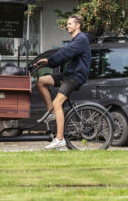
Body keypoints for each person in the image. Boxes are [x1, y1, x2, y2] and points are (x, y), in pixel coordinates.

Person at [33, 15, 91, 150]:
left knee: (57, 102)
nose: (67, 26)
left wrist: (48, 61)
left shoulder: (80, 39)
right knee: (41, 81)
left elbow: (65, 53)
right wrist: (45, 63)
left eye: (70, 23)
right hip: (69, 74)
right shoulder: (76, 40)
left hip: (75, 77)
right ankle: (51, 114)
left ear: (78, 25)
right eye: (67, 24)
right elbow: (64, 54)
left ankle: (60, 139)